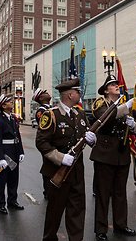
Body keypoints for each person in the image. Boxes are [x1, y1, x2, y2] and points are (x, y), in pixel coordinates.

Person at [35, 78, 96, 241]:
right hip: (57, 173)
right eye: (77, 92)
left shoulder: (80, 113)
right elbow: (41, 142)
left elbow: (86, 135)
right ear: (70, 95)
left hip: (76, 172)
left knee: (77, 210)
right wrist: (60, 158)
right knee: (55, 212)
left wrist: (92, 139)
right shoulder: (51, 115)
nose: (79, 94)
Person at [90, 75, 136, 241]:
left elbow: (134, 125)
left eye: (117, 84)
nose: (117, 86)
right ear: (106, 90)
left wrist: (133, 125)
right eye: (113, 84)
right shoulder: (100, 103)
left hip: (121, 153)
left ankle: (120, 225)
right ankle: (101, 229)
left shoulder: (124, 104)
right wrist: (125, 108)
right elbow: (106, 118)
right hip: (105, 152)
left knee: (120, 192)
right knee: (103, 193)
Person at [0, 94, 25, 215]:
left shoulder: (13, 118)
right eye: (9, 102)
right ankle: (1, 205)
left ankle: (12, 201)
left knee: (13, 179)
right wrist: (0, 158)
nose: (12, 103)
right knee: (2, 181)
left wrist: (21, 151)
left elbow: (18, 136)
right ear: (4, 105)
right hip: (5, 154)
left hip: (15, 151)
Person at [32, 88, 52, 199]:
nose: (47, 93)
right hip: (48, 143)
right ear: (41, 98)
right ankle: (47, 191)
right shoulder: (41, 112)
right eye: (44, 93)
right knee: (48, 167)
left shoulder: (52, 108)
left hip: (55, 143)